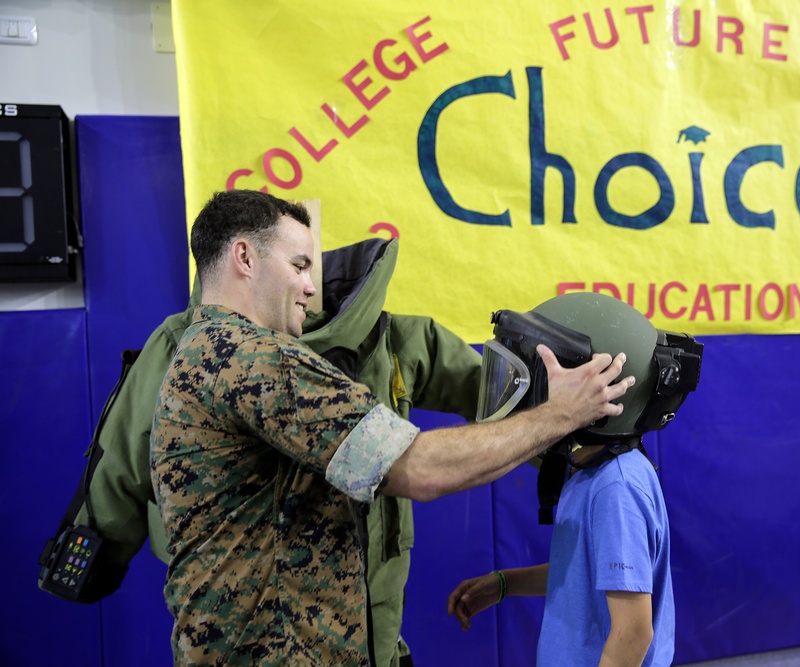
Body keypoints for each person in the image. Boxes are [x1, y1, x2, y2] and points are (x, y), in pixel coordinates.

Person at [150, 190, 633, 666]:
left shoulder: (198, 352)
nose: (311, 287)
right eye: (298, 266)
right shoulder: (254, 360)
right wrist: (561, 413)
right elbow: (420, 469)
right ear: (244, 257)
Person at [60, 231, 481, 667]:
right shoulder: (395, 338)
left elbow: (122, 455)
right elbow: (495, 391)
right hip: (369, 632)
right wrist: (547, 429)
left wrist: (93, 553)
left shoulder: (186, 344)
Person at [447, 292, 704, 667]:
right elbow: (584, 577)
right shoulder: (588, 469)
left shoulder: (617, 487)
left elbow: (633, 632)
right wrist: (503, 584)